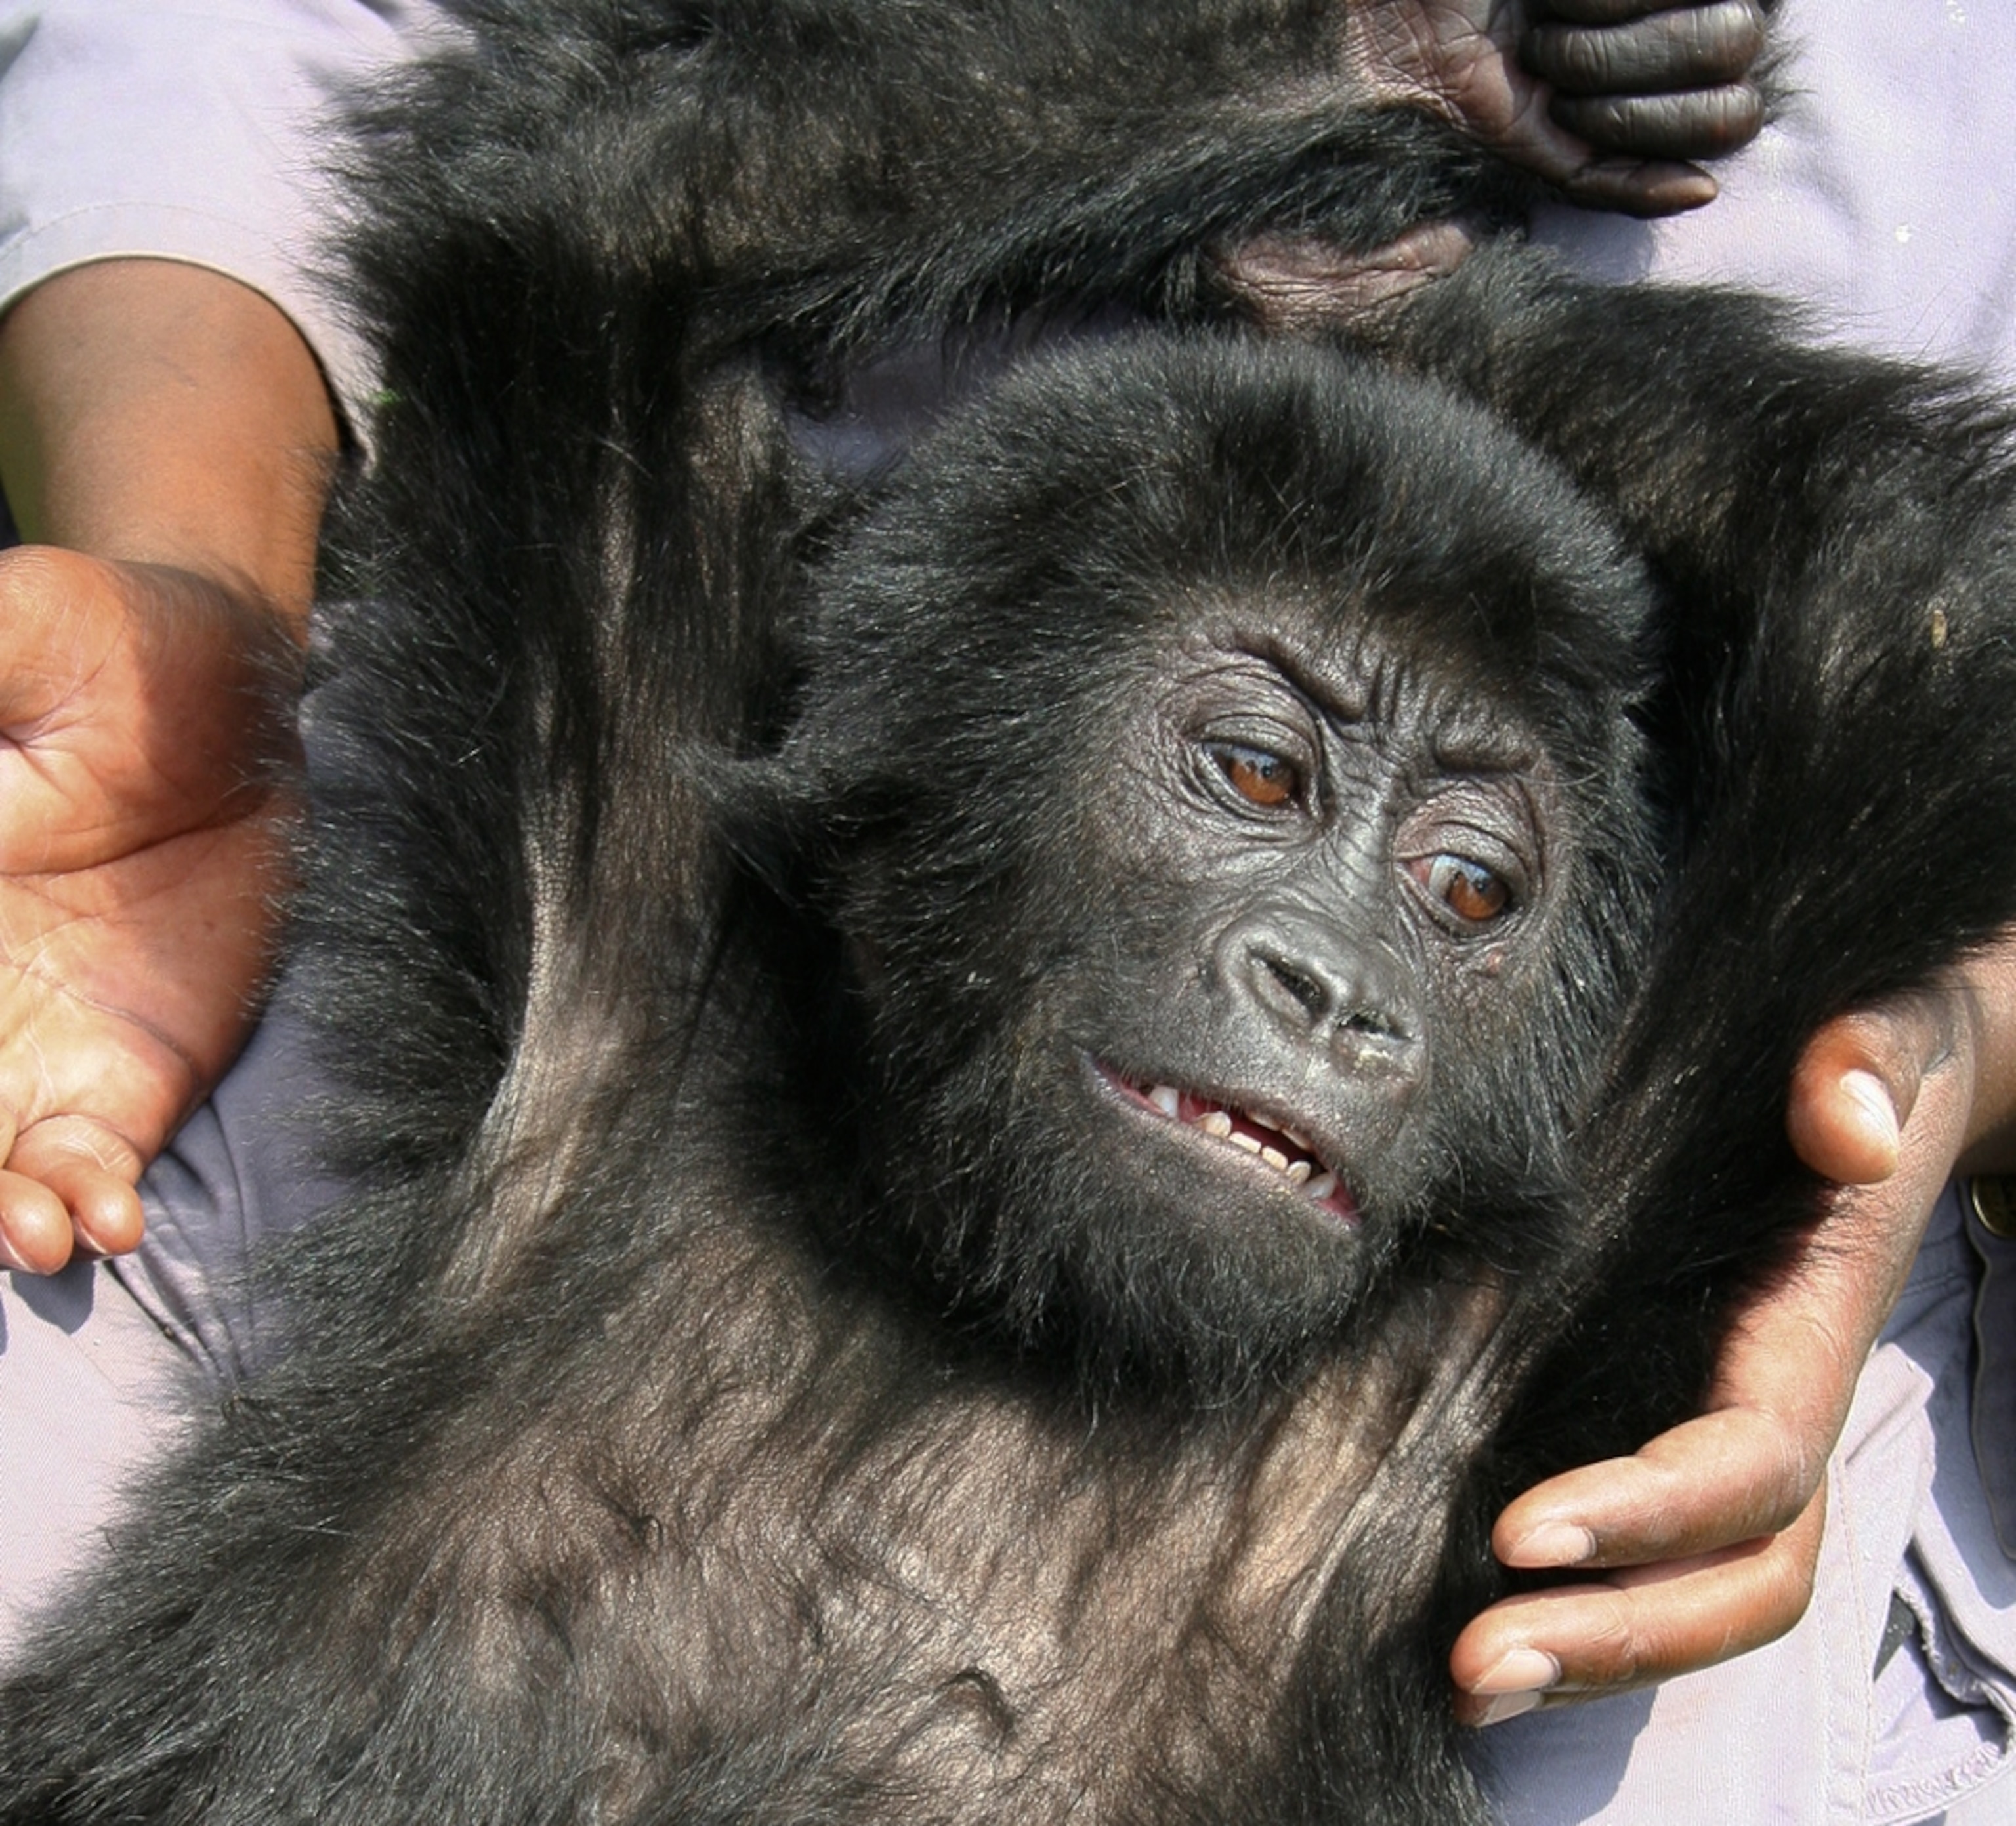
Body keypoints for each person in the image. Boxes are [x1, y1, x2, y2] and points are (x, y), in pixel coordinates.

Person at [1, 9, 2007, 1815]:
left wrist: (1458, 343)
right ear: (933, 753)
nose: (1334, 985)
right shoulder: (640, 1018)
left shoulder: (1414, 1395)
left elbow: (1931, 625)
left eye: (1472, 887)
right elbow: (585, 216)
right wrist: (1326, 62)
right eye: (1256, 775)